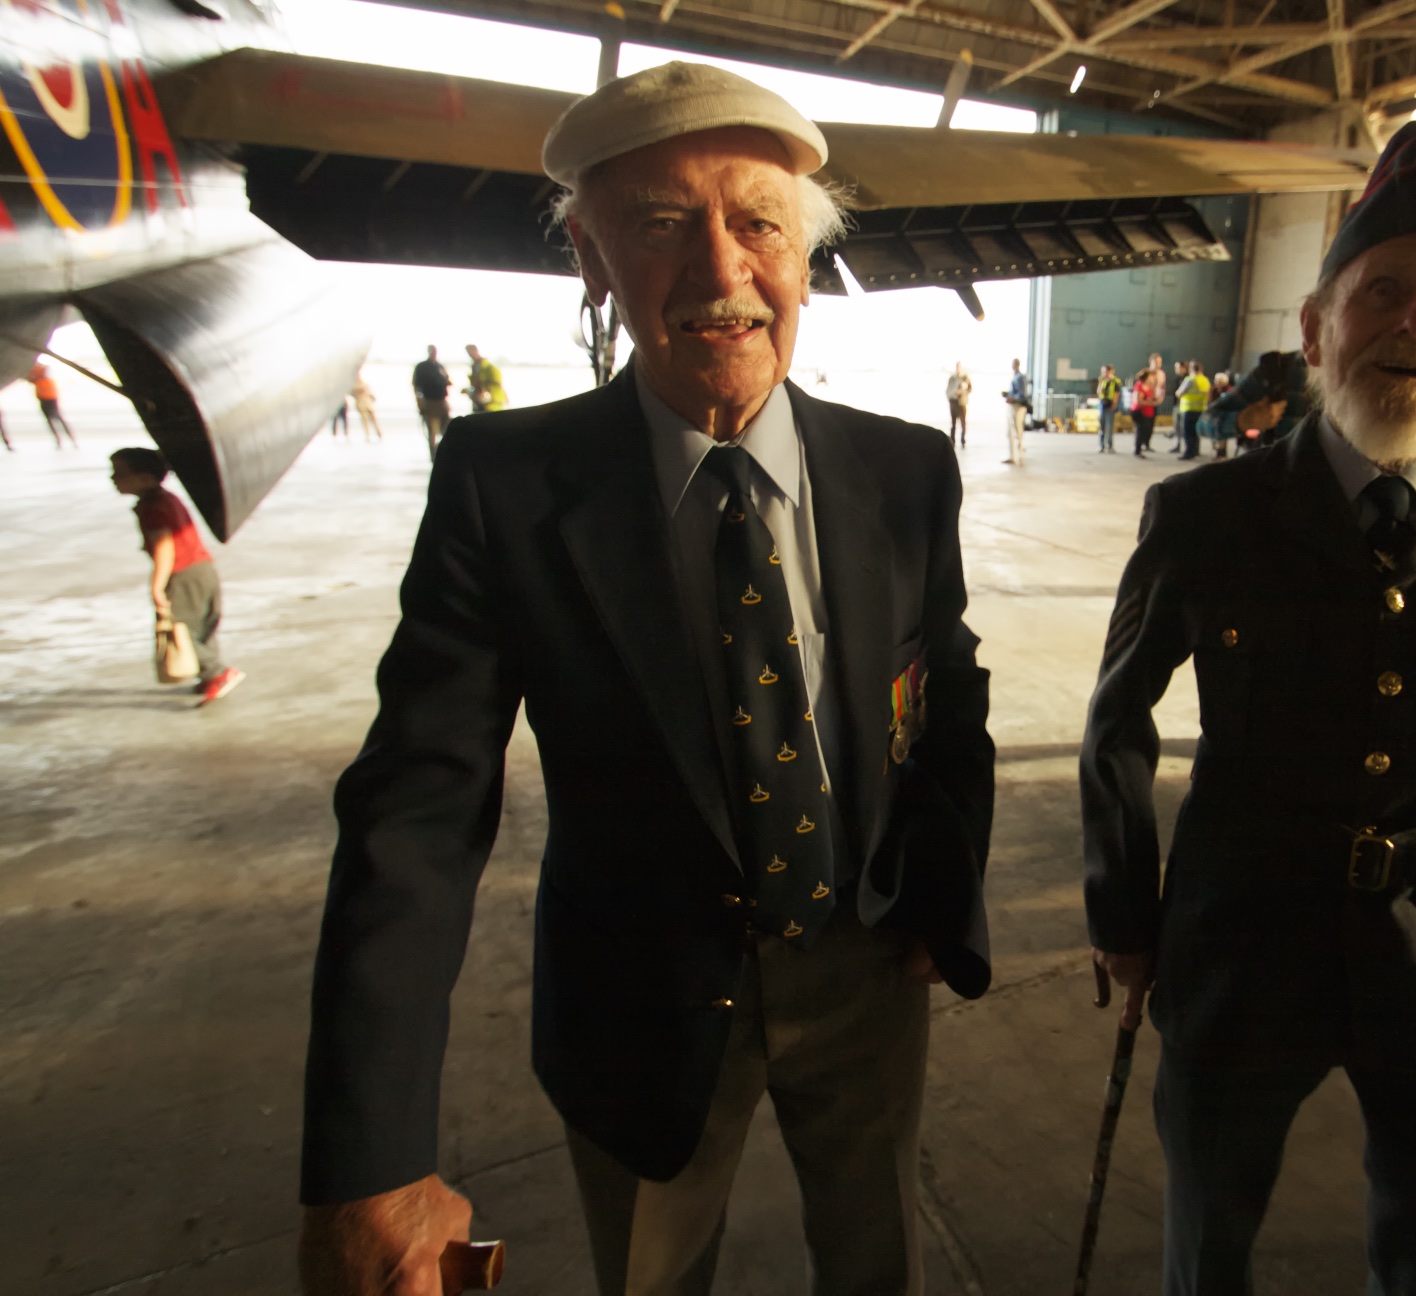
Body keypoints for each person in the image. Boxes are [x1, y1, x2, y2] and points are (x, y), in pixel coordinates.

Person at [297, 62, 995, 1296]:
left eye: (759, 224)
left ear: (803, 257)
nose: (722, 272)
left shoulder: (904, 471)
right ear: (590, 256)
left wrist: (946, 892)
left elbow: (944, 685)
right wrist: (372, 1159)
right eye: (663, 223)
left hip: (866, 970)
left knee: (876, 1261)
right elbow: (417, 811)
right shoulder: (507, 487)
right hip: (638, 1001)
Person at [1081, 120, 1416, 1296]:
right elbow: (1117, 724)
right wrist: (1125, 914)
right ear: (1317, 326)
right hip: (1243, 951)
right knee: (1206, 1251)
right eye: (1383, 290)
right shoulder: (1206, 517)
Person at [108, 447, 244, 705]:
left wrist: (157, 587)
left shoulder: (153, 508)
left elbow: (164, 547)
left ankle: (217, 674)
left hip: (183, 574)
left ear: (145, 478)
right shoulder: (166, 498)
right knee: (201, 626)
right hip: (202, 568)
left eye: (119, 473)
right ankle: (209, 676)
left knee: (181, 627)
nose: (113, 478)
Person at [410, 345, 452, 458]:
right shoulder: (422, 367)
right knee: (432, 431)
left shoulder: (439, 366)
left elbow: (447, 380)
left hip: (442, 401)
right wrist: (420, 402)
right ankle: (434, 456)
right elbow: (416, 386)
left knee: (446, 429)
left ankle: (445, 454)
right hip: (430, 402)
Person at [30, 359, 77, 448]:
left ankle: (71, 438)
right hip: (43, 396)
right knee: (50, 419)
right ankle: (59, 440)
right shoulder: (33, 369)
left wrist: (34, 376)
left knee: (58, 418)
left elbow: (38, 376)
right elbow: (30, 378)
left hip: (51, 396)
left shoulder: (44, 368)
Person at [1174, 359, 1210, 460]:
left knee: (1188, 432)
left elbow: (1179, 393)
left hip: (1189, 409)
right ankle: (1196, 451)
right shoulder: (1205, 380)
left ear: (1191, 369)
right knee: (1196, 431)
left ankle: (1189, 453)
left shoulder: (1190, 380)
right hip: (1201, 409)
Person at [463, 344, 507, 413]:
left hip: (492, 405)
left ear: (475, 350)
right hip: (478, 404)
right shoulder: (474, 367)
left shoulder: (491, 368)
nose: (470, 355)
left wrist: (483, 388)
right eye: (468, 353)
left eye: (470, 352)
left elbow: (497, 385)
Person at [1130, 367, 1161, 458]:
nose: (1153, 379)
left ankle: (1143, 446)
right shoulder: (1139, 385)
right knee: (1140, 430)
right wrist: (1151, 403)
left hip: (1148, 412)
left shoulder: (1149, 386)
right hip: (1140, 411)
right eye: (1151, 377)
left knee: (1146, 430)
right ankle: (1137, 450)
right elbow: (1138, 401)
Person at [1003, 357, 1028, 465]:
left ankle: (1020, 456)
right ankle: (1013, 456)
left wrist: (1012, 398)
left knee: (1017, 432)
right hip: (1013, 406)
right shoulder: (1016, 377)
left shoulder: (1019, 377)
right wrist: (1007, 394)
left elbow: (1021, 394)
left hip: (1017, 407)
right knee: (1011, 432)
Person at [1096, 363, 1123, 454]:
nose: (1104, 373)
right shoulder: (1103, 381)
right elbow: (1099, 392)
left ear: (1111, 371)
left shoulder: (1116, 382)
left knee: (1109, 427)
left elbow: (1116, 395)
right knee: (1102, 427)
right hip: (1102, 404)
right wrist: (1100, 383)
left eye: (1106, 371)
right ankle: (1101, 446)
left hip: (1110, 405)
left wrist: (1114, 406)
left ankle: (1109, 446)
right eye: (1103, 372)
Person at [946, 362, 971, 446]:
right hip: (953, 402)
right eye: (957, 367)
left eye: (959, 367)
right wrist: (951, 396)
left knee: (963, 423)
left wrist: (962, 392)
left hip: (962, 403)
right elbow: (948, 390)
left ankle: (963, 440)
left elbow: (970, 389)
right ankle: (952, 440)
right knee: (953, 423)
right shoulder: (952, 378)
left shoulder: (965, 377)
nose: (958, 368)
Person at [351, 374, 381, 441]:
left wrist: (372, 397)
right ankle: (368, 434)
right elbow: (351, 393)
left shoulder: (365, 384)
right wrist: (359, 392)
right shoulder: (354, 386)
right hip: (361, 404)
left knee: (373, 418)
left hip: (368, 403)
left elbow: (371, 392)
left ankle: (378, 432)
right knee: (364, 420)